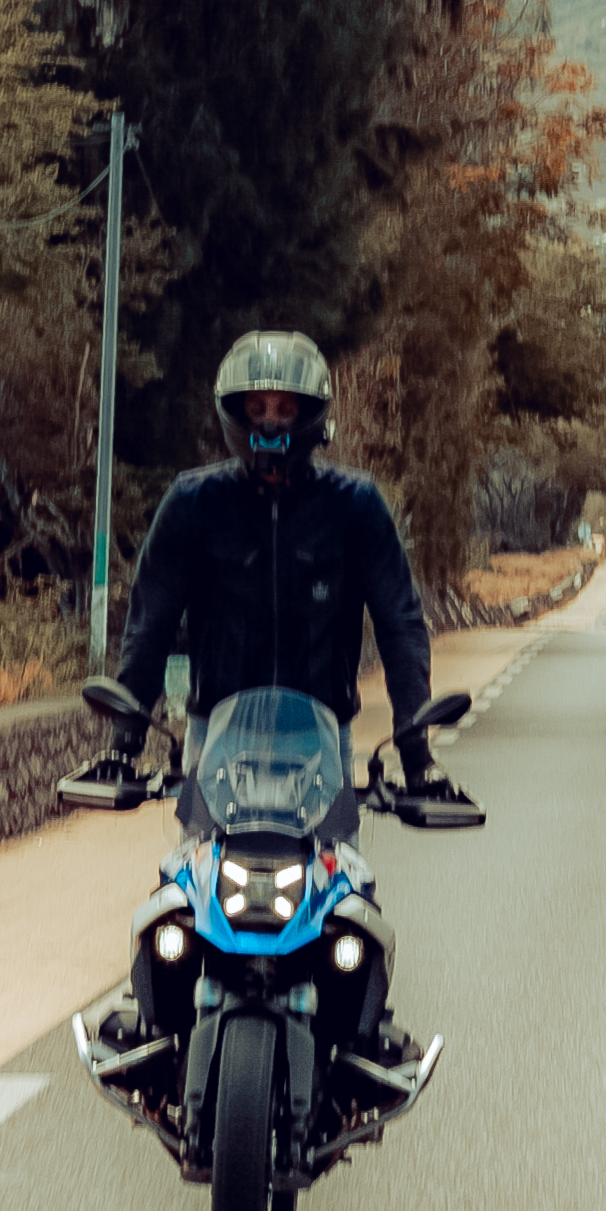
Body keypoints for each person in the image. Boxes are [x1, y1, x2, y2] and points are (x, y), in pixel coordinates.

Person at [106, 329, 456, 838]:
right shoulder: (194, 502)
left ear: (310, 413)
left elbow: (400, 625)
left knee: (346, 900)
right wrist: (124, 741)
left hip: (321, 742)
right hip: (215, 742)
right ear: (235, 412)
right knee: (186, 891)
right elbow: (150, 623)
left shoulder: (355, 505)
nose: (269, 420)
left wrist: (417, 753)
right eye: (257, 405)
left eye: (285, 407)